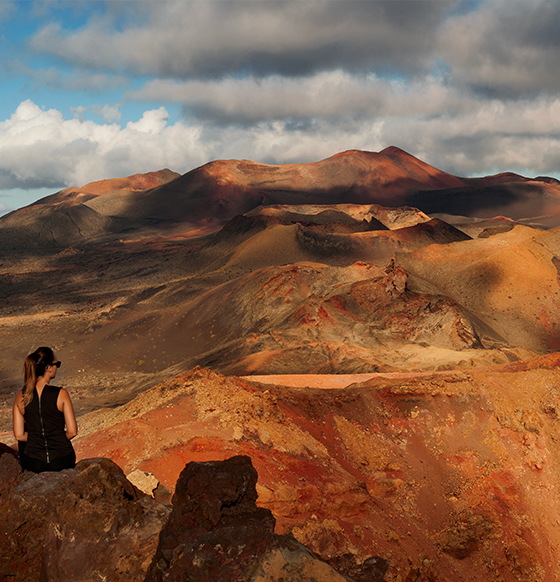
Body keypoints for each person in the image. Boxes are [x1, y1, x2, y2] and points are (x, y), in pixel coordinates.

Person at [12, 347, 78, 473]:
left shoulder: (20, 397)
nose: (57, 368)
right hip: (62, 461)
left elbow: (19, 435)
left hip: (34, 463)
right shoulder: (61, 394)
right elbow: (72, 432)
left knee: (25, 439)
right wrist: (55, 438)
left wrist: (38, 439)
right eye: (56, 364)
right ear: (48, 367)